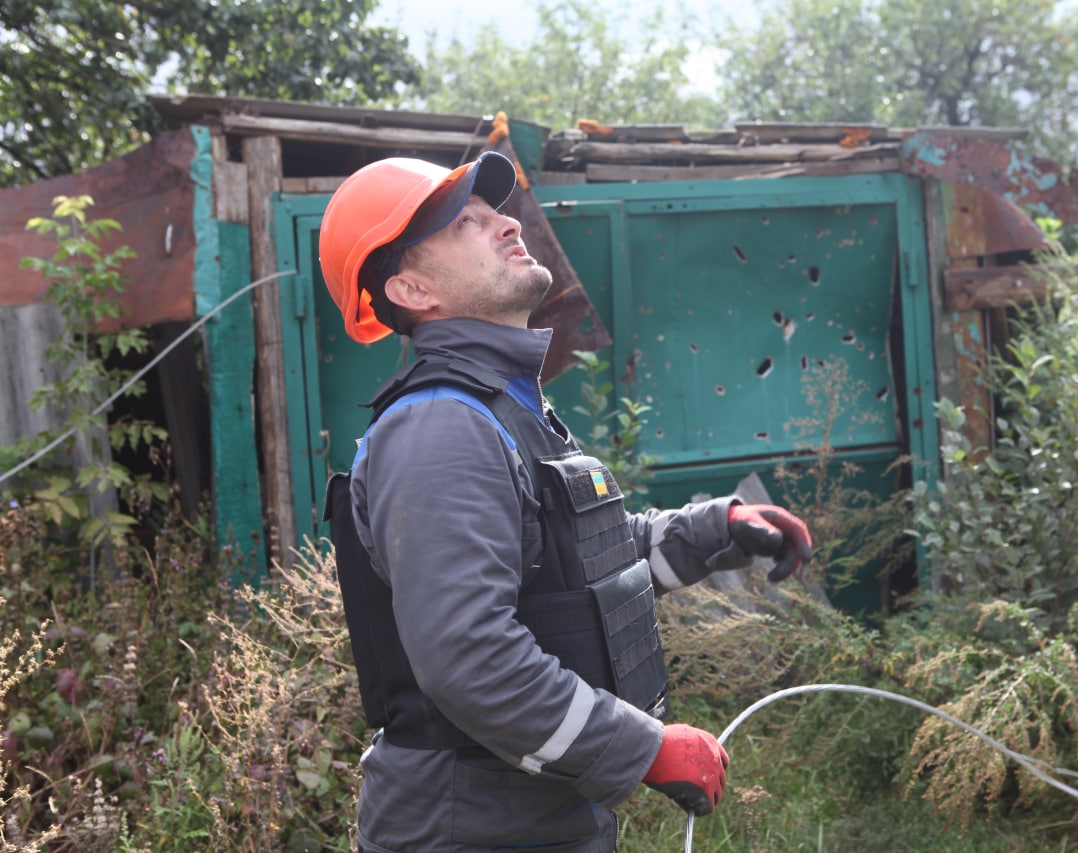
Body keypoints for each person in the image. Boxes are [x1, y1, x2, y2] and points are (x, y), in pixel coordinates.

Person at [318, 150, 813, 853]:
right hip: (469, 825)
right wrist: (644, 747)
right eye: (466, 222)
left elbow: (576, 563)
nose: (505, 223)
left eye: (496, 209)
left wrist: (716, 530)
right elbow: (469, 657)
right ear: (411, 287)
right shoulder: (440, 425)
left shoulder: (505, 404)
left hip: (527, 810)